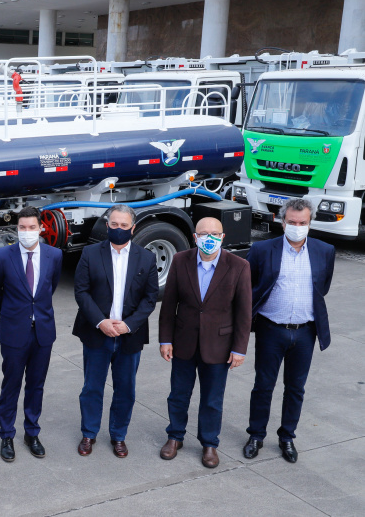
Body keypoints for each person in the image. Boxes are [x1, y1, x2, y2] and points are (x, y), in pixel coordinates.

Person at [243, 198, 335, 463]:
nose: (297, 227)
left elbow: (323, 286)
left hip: (305, 332)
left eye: (302, 222)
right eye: (292, 222)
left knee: (295, 388)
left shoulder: (325, 250)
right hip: (271, 329)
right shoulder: (262, 249)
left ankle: (287, 437)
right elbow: (249, 285)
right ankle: (256, 435)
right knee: (263, 385)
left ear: (310, 223)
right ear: (282, 222)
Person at [157, 217, 252, 468]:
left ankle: (209, 443)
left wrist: (239, 348)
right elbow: (169, 304)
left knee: (212, 399)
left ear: (223, 237)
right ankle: (175, 436)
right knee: (178, 395)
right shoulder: (180, 260)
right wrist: (165, 339)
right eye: (203, 233)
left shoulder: (239, 266)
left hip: (219, 346)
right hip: (183, 342)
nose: (209, 238)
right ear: (195, 237)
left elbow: (244, 312)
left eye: (214, 234)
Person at [72, 205, 159, 458]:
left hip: (129, 335)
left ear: (133, 228)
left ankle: (118, 436)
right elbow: (81, 292)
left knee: (126, 390)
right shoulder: (90, 253)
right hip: (97, 333)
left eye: (123, 225)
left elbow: (150, 299)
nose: (118, 229)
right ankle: (89, 433)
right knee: (92, 387)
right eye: (114, 224)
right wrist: (101, 322)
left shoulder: (146, 258)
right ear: (107, 226)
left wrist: (128, 324)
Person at [0, 206, 64, 462]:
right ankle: (6, 435)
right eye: (22, 227)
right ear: (17, 229)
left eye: (32, 227)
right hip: (13, 332)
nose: (27, 231)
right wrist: (13, 314)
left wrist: (35, 312)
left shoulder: (54, 255)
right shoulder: (2, 256)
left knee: (36, 385)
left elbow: (50, 287)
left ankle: (31, 433)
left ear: (41, 228)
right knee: (11, 384)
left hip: (43, 332)